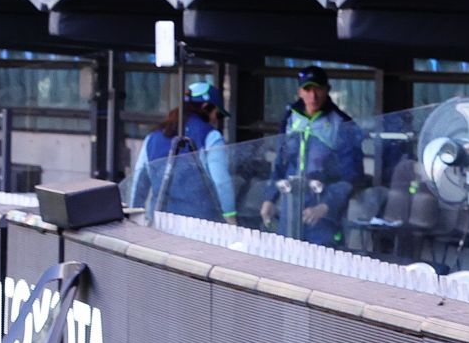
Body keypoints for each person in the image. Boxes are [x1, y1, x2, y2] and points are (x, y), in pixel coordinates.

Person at [260, 66, 361, 248]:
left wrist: (326, 206)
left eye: (318, 89)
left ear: (327, 89)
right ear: (299, 91)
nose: (313, 96)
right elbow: (280, 164)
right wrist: (270, 198)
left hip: (323, 213)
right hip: (290, 206)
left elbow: (352, 176)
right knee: (286, 259)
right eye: (307, 89)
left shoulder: (341, 123)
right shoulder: (291, 119)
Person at [129, 81, 236, 224]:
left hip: (160, 219)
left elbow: (139, 179)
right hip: (199, 222)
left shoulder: (153, 137)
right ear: (205, 107)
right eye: (218, 114)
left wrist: (134, 215)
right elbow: (221, 181)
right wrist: (229, 215)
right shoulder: (211, 136)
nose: (217, 120)